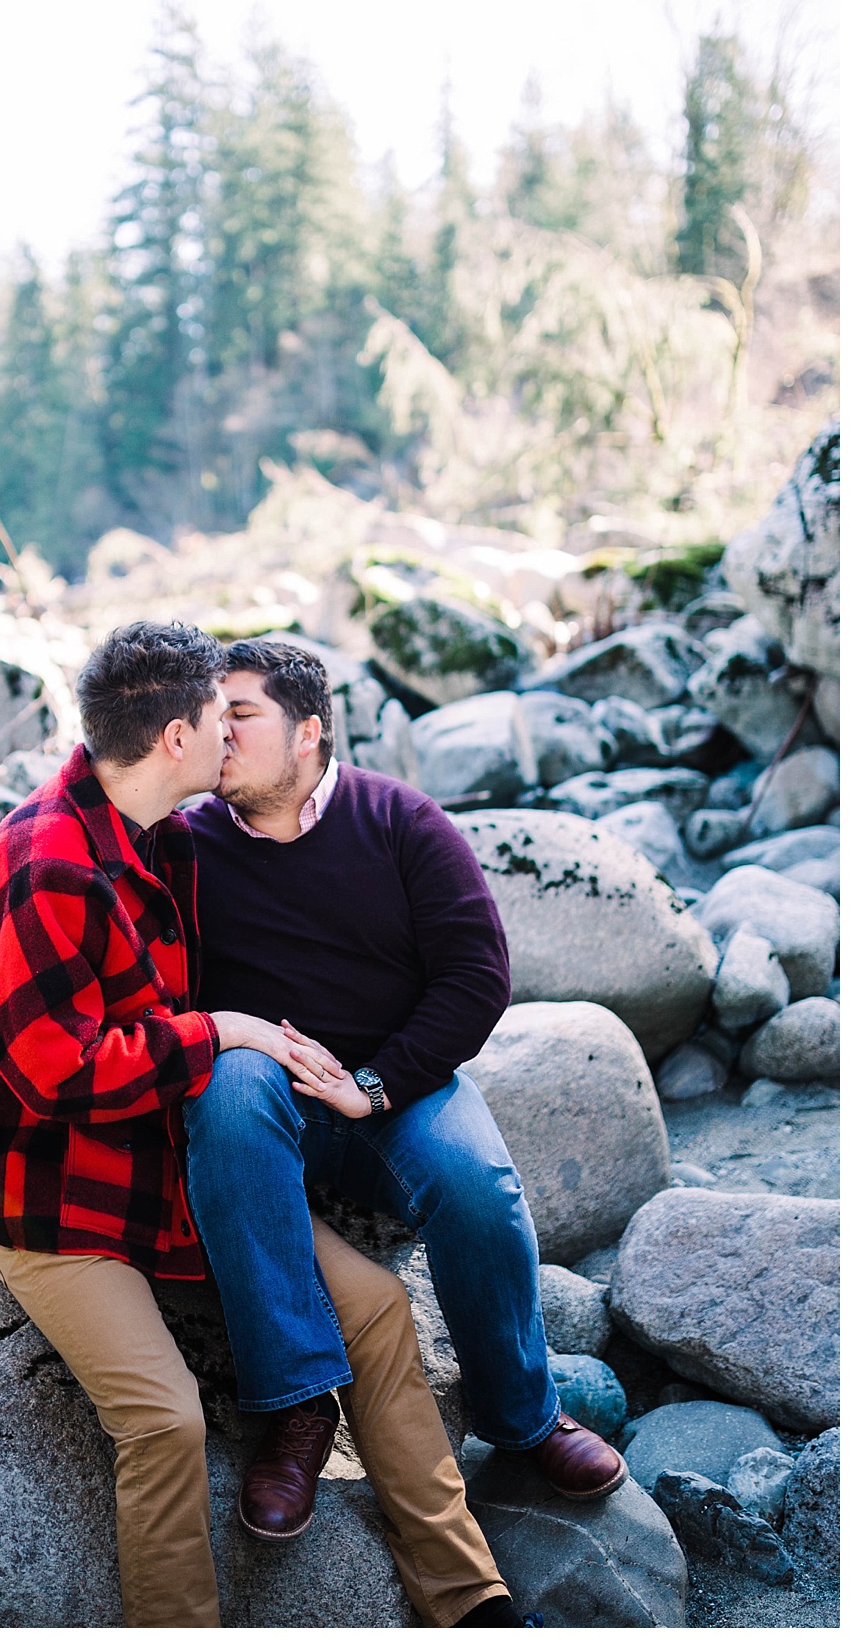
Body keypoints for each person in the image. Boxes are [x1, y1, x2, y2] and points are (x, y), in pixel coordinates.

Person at [0, 620, 524, 1630]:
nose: (233, 735)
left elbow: (465, 967)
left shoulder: (161, 834)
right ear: (177, 738)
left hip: (166, 1161)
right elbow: (56, 1076)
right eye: (223, 715)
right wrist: (222, 1030)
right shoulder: (45, 868)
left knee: (379, 1307)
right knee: (162, 1418)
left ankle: (469, 1596)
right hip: (57, 1196)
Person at [183, 637, 627, 1545]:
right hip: (266, 1090)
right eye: (210, 714)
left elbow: (476, 976)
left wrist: (375, 1086)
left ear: (308, 730)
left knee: (474, 1184)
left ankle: (524, 1416)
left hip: (398, 1083)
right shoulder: (185, 847)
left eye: (241, 714)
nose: (215, 732)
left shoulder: (403, 821)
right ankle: (300, 1408)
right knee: (227, 1092)